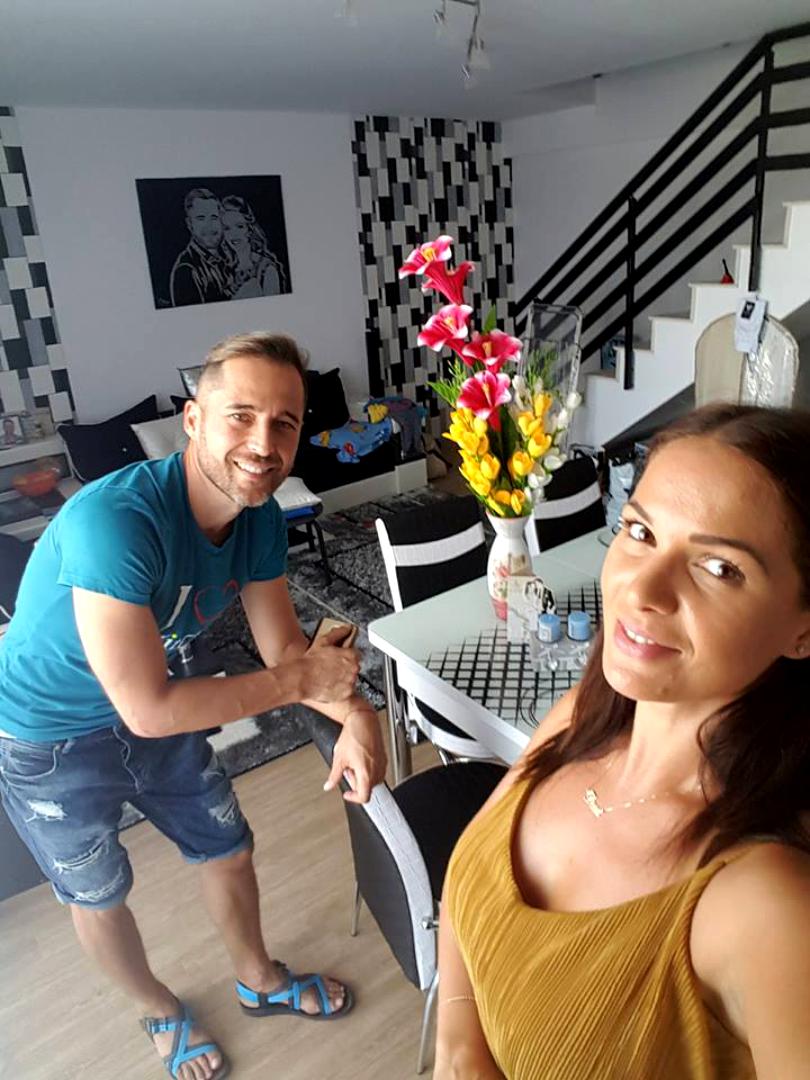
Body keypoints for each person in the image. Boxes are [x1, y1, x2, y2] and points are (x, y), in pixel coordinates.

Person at [0, 332, 387, 1080]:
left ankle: (259, 979)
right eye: (241, 415)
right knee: (97, 891)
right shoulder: (117, 522)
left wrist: (360, 714)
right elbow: (153, 707)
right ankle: (160, 1010)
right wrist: (306, 683)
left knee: (227, 846)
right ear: (193, 419)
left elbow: (286, 655)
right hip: (45, 733)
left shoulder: (261, 517)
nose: (263, 444)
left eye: (283, 423)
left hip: (158, 706)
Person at [435, 403, 810, 1079]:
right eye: (640, 531)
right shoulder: (581, 719)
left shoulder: (767, 907)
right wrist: (459, 1048)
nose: (642, 589)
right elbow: (468, 875)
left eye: (719, 568)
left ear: (802, 629)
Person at [169, 188, 233, 306]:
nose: (209, 225)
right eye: (201, 218)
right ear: (189, 224)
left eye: (214, 217)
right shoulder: (186, 270)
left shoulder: (231, 256)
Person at [221, 195, 288, 299]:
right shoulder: (224, 268)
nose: (234, 234)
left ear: (249, 229)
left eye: (239, 226)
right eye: (227, 228)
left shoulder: (266, 268)